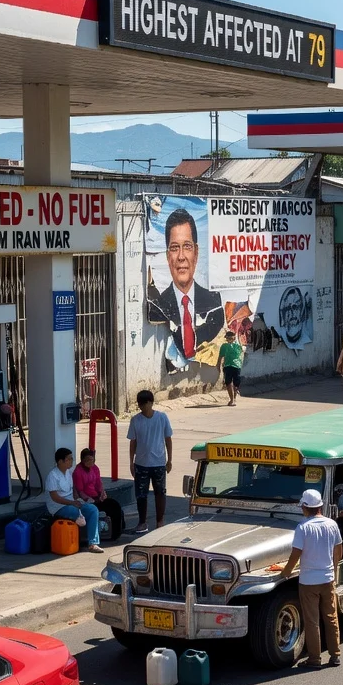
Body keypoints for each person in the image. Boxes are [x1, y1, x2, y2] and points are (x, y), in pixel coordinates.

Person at [277, 490, 343, 668]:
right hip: (327, 578)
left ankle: (315, 659)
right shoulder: (331, 524)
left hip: (308, 581)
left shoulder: (303, 527)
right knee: (331, 617)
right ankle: (335, 655)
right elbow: (338, 550)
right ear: (320, 506)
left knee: (312, 621)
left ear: (305, 507)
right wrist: (333, 571)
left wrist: (286, 572)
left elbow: (296, 553)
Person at [148, 208, 224, 363]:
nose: (181, 257)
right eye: (175, 248)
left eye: (187, 247)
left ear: (196, 253)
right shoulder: (158, 307)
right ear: (168, 256)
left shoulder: (214, 303)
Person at [127, 389, 173, 534]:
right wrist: (131, 462)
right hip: (141, 463)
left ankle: (160, 521)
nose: (142, 407)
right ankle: (142, 522)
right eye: (140, 404)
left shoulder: (162, 417)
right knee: (141, 494)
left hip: (159, 462)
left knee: (160, 493)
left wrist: (169, 459)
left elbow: (168, 439)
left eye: (144, 403)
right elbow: (133, 442)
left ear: (151, 403)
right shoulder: (135, 420)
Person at [45, 447, 103, 553]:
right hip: (59, 507)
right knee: (78, 513)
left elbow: (74, 489)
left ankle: (93, 543)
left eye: (72, 458)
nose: (71, 461)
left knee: (92, 509)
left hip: (72, 502)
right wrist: (72, 503)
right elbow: (55, 497)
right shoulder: (52, 476)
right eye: (69, 459)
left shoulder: (68, 473)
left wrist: (80, 499)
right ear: (60, 461)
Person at [219, 330, 244, 407]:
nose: (229, 339)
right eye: (228, 338)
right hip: (227, 366)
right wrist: (218, 366)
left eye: (231, 338)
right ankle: (232, 399)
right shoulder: (224, 346)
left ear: (233, 338)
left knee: (236, 384)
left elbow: (242, 353)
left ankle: (234, 397)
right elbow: (220, 356)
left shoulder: (238, 345)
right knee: (228, 382)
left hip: (237, 366)